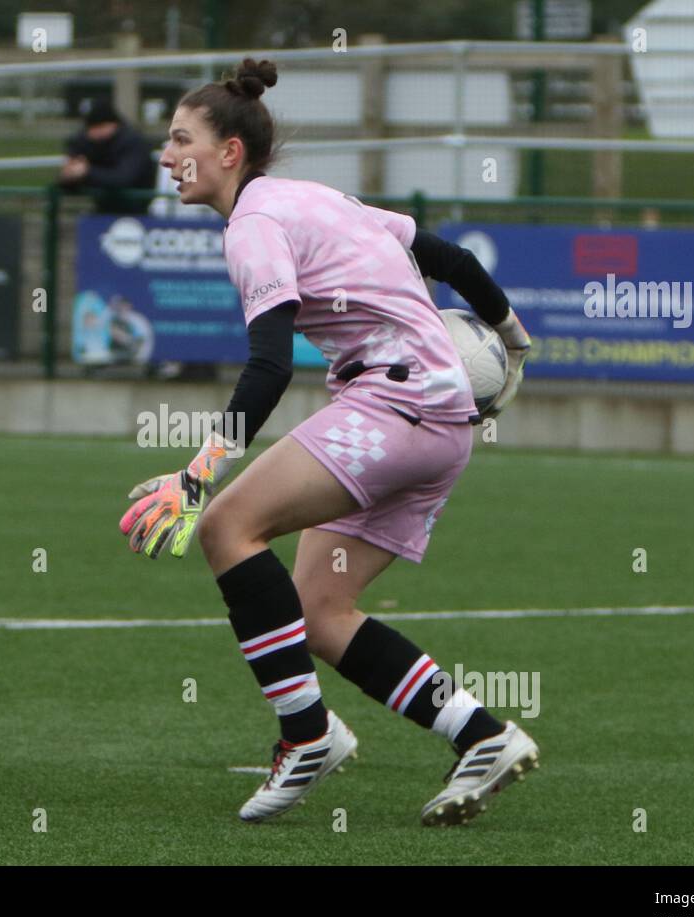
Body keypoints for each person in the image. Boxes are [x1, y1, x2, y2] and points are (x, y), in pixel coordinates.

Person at [118, 59, 539, 827]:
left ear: (229, 152)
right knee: (316, 608)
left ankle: (306, 735)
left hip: (395, 404)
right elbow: (453, 261)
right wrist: (512, 337)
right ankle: (483, 736)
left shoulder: (254, 225)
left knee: (223, 526)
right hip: (440, 427)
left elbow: (271, 364)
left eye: (181, 139)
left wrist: (196, 474)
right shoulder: (313, 198)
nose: (167, 155)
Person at [60, 101, 156, 215]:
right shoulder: (85, 143)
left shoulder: (133, 142)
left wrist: (87, 172)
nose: (92, 134)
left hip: (136, 211)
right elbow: (68, 183)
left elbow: (123, 178)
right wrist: (69, 176)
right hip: (102, 211)